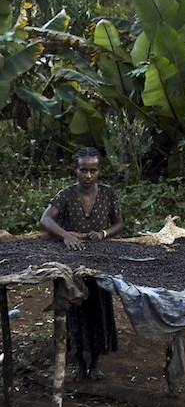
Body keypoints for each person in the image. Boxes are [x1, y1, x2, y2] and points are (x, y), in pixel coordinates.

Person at [40, 147, 123, 381]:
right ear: (75, 170)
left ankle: (95, 362)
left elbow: (119, 222)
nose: (88, 175)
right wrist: (66, 235)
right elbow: (46, 218)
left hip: (98, 260)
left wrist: (104, 232)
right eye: (83, 170)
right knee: (72, 309)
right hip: (70, 259)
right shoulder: (65, 195)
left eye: (93, 170)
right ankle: (78, 363)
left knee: (99, 308)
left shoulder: (107, 194)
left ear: (99, 171)